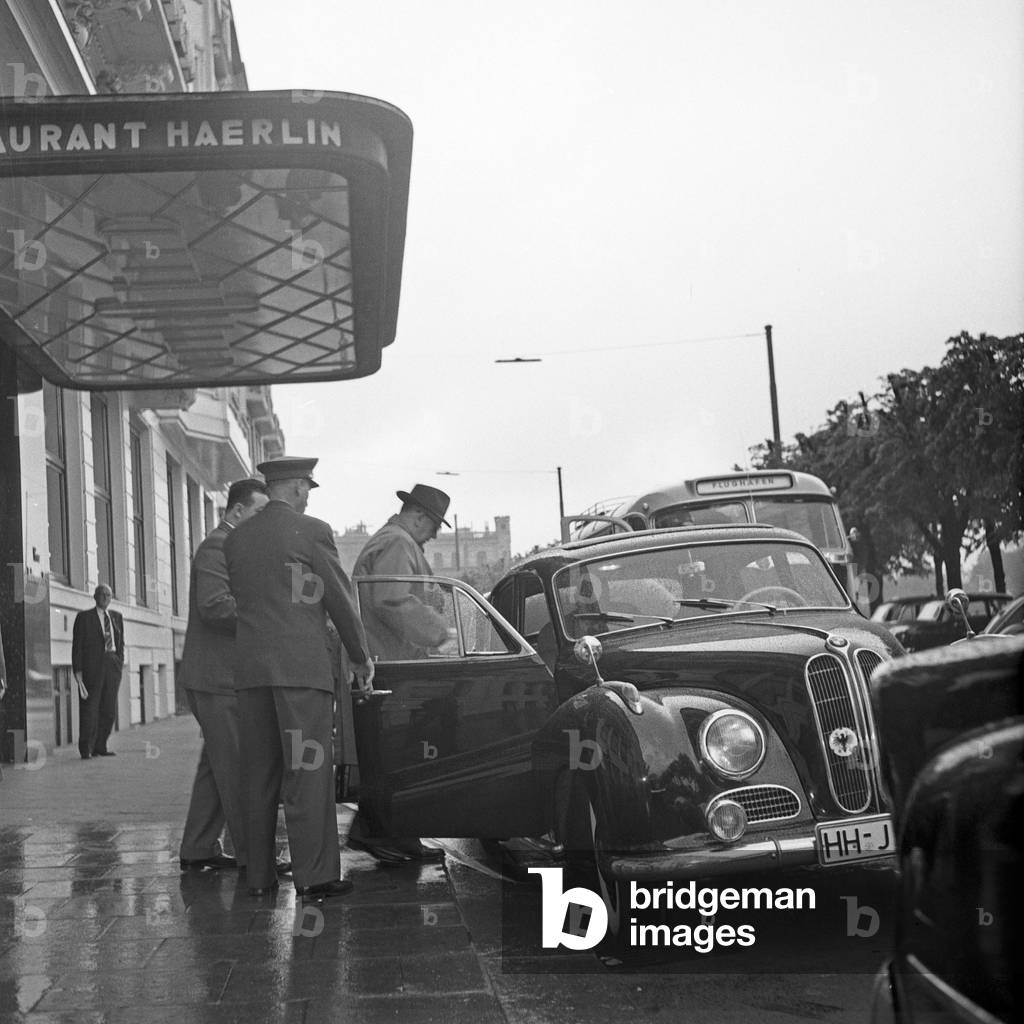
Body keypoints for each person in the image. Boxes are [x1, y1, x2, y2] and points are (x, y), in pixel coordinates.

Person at [224, 456, 374, 900]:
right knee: (308, 771)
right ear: (292, 487)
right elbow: (340, 599)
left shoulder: (236, 540)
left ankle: (258, 876)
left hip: (251, 672)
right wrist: (360, 655)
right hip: (300, 670)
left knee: (259, 774)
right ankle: (315, 876)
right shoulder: (312, 532)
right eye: (307, 487)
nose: (309, 495)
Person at [346, 484, 452, 864]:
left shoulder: (394, 540)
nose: (436, 534)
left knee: (390, 755)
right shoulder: (398, 543)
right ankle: (389, 837)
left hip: (384, 662)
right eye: (435, 525)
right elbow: (392, 600)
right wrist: (440, 633)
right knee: (399, 755)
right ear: (419, 516)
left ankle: (381, 833)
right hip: (392, 665)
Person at [179, 478, 269, 872]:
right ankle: (255, 858)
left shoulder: (233, 546)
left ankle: (198, 847)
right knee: (237, 770)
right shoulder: (218, 546)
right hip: (218, 679)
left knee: (217, 767)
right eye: (259, 513)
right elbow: (216, 607)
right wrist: (268, 616)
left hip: (218, 677)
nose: (264, 522)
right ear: (236, 512)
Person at [72, 584, 124, 759]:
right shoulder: (84, 617)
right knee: (90, 708)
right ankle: (86, 748)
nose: (105, 597)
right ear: (95, 596)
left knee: (108, 709)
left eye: (108, 595)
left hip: (112, 665)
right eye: (101, 594)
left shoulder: (117, 617)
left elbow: (120, 642)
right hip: (92, 668)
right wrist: (78, 671)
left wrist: (119, 661)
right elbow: (77, 646)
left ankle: (100, 745)